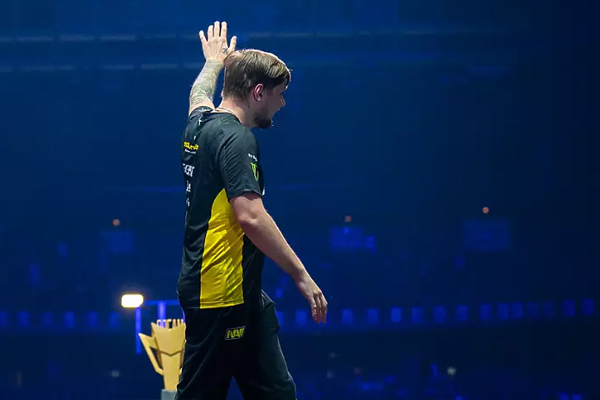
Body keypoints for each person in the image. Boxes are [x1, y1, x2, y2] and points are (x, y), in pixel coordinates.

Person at [175, 21, 328, 400]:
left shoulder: (199, 123)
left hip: (244, 294)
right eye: (280, 94)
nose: (282, 103)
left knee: (277, 392)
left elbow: (198, 94)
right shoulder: (236, 139)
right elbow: (251, 216)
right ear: (258, 92)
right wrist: (301, 275)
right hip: (218, 296)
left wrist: (214, 62)